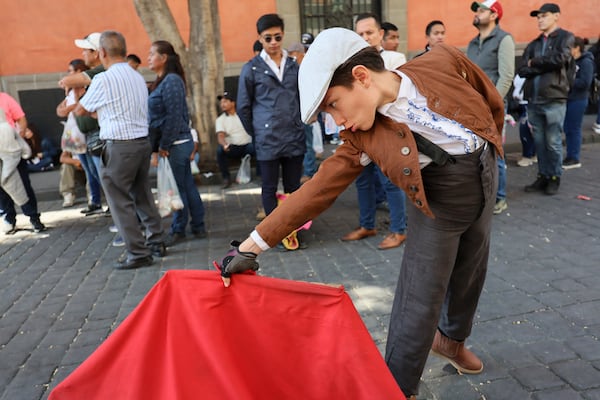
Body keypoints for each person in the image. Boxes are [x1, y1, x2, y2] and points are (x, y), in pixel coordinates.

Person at [218, 28, 504, 399]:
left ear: (362, 77)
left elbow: (489, 98)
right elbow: (318, 190)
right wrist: (251, 246)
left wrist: (493, 148)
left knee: (470, 275)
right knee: (419, 298)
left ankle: (450, 341)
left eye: (334, 105)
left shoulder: (443, 58)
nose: (337, 121)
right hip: (438, 206)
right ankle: (397, 389)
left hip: (483, 178)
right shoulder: (363, 137)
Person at [75, 30, 166, 270]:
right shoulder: (136, 76)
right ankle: (156, 241)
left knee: (119, 200)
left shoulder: (103, 79)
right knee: (142, 194)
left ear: (102, 52)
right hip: (141, 143)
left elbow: (82, 109)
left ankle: (137, 252)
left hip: (118, 145)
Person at [237, 14, 306, 248]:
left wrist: (300, 121)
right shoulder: (252, 68)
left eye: (277, 37)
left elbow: (303, 97)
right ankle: (273, 233)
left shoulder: (294, 65)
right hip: (267, 139)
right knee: (268, 187)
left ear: (283, 35)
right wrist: (256, 131)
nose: (274, 42)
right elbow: (243, 107)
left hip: (293, 135)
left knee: (293, 189)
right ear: (260, 38)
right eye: (268, 38)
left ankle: (293, 231)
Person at [345, 12, 408, 250]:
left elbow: (399, 94)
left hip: (387, 130)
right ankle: (367, 224)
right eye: (360, 34)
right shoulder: (351, 64)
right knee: (362, 182)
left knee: (390, 183)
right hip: (362, 132)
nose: (365, 37)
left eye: (369, 32)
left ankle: (399, 230)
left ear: (380, 34)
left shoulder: (394, 58)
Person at [147, 40, 206, 246]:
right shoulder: (164, 80)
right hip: (176, 142)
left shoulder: (171, 81)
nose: (148, 57)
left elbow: (173, 117)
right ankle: (198, 226)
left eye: (152, 53)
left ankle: (179, 228)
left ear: (164, 58)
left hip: (176, 143)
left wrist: (163, 145)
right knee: (186, 185)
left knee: (179, 188)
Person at [518, 3, 574, 195]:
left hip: (554, 97)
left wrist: (535, 62)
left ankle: (554, 177)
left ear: (556, 16)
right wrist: (539, 64)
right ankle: (543, 176)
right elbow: (522, 69)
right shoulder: (534, 43)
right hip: (534, 99)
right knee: (540, 143)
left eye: (544, 15)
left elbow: (560, 59)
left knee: (553, 141)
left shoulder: (565, 37)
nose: (540, 19)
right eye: (538, 17)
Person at [467, 0, 515, 215]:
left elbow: (506, 77)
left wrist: (492, 103)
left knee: (494, 155)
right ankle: (483, 195)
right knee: (476, 154)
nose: (477, 13)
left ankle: (499, 197)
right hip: (472, 108)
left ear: (494, 14)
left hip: (492, 108)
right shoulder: (472, 43)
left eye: (482, 10)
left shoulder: (504, 40)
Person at [59, 33, 106, 216]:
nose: (83, 53)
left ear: (97, 53)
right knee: (95, 173)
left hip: (100, 134)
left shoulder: (99, 73)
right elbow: (64, 109)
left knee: (105, 176)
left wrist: (72, 84)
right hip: (88, 135)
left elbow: (68, 85)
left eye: (86, 50)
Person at [0, 92, 46, 233]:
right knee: (1, 188)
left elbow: (21, 119)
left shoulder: (5, 98)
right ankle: (8, 219)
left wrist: (17, 138)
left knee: (23, 184)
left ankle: (33, 218)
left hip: (11, 150)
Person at [563, 37, 594, 169]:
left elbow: (585, 82)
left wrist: (567, 83)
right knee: (568, 128)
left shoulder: (586, 62)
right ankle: (570, 155)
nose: (567, 50)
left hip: (579, 99)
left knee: (573, 129)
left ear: (576, 48)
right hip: (569, 98)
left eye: (569, 47)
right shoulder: (570, 61)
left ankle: (574, 158)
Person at [214, 91, 255, 189]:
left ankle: (261, 176)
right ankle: (226, 179)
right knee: (220, 151)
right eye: (221, 102)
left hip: (248, 145)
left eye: (225, 101)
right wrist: (224, 145)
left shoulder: (244, 115)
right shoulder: (220, 119)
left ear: (233, 103)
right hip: (232, 147)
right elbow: (220, 136)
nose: (222, 104)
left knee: (260, 147)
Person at [512, 75, 537, 166]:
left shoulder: (534, 71)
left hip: (528, 103)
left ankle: (528, 156)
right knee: (528, 129)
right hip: (521, 104)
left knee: (525, 130)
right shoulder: (523, 70)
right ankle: (532, 154)